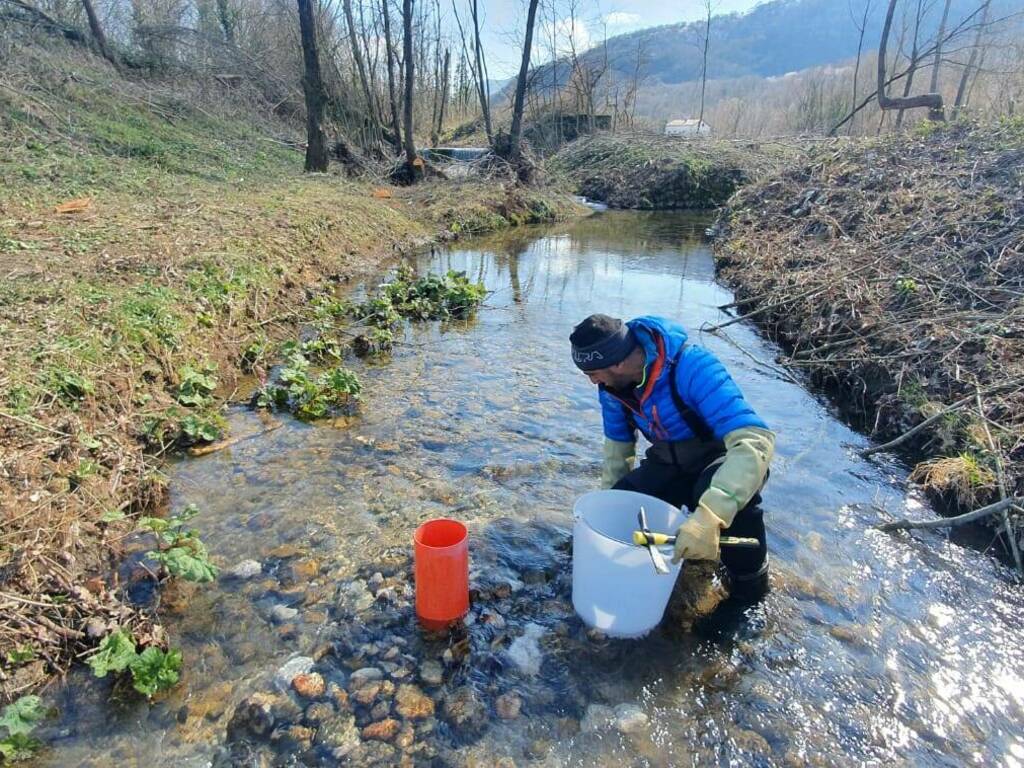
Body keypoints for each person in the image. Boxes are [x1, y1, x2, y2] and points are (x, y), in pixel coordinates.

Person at [570, 313, 775, 603]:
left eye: (592, 373)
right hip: (669, 460)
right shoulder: (611, 389)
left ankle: (750, 591)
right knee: (625, 501)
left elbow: (755, 442)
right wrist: (607, 511)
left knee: (726, 505)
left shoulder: (693, 367)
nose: (592, 382)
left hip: (724, 460)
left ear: (617, 362)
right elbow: (618, 449)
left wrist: (710, 517)